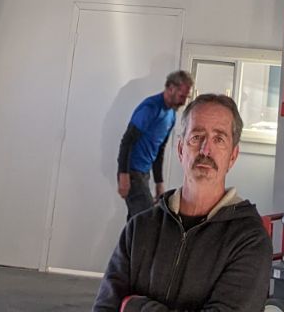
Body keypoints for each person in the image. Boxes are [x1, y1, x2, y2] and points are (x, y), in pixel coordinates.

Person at [94, 92, 272, 312]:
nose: (206, 150)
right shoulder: (140, 228)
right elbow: (105, 307)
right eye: (196, 137)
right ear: (180, 149)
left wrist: (136, 307)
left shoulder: (249, 240)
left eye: (219, 139)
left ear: (232, 157)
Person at [118, 71, 195, 220]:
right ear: (171, 88)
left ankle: (126, 243)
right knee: (147, 220)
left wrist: (159, 183)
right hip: (132, 172)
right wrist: (123, 175)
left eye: (186, 97)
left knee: (135, 223)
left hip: (144, 173)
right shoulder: (150, 108)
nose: (184, 102)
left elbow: (159, 150)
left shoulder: (171, 115)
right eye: (182, 96)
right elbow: (127, 141)